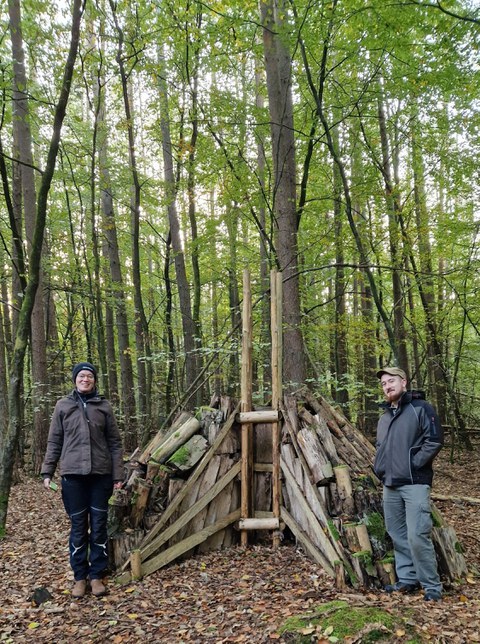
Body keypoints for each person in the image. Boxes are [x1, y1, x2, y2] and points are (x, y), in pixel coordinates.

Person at [41, 362, 124, 599]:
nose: (85, 379)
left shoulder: (104, 406)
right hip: (72, 477)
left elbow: (115, 444)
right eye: (81, 376)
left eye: (89, 376)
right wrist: (47, 472)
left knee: (98, 526)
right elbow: (54, 441)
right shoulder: (63, 406)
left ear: (94, 380)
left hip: (101, 476)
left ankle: (96, 576)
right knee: (78, 528)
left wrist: (118, 475)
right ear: (75, 380)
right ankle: (79, 577)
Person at [374, 366, 443, 602]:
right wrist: (380, 469)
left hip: (415, 483)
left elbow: (433, 441)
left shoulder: (421, 408)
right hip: (390, 484)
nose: (387, 386)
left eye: (391, 381)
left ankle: (432, 586)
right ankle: (408, 579)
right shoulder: (384, 417)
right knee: (397, 533)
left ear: (403, 382)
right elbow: (380, 448)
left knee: (417, 534)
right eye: (383, 383)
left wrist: (414, 464)